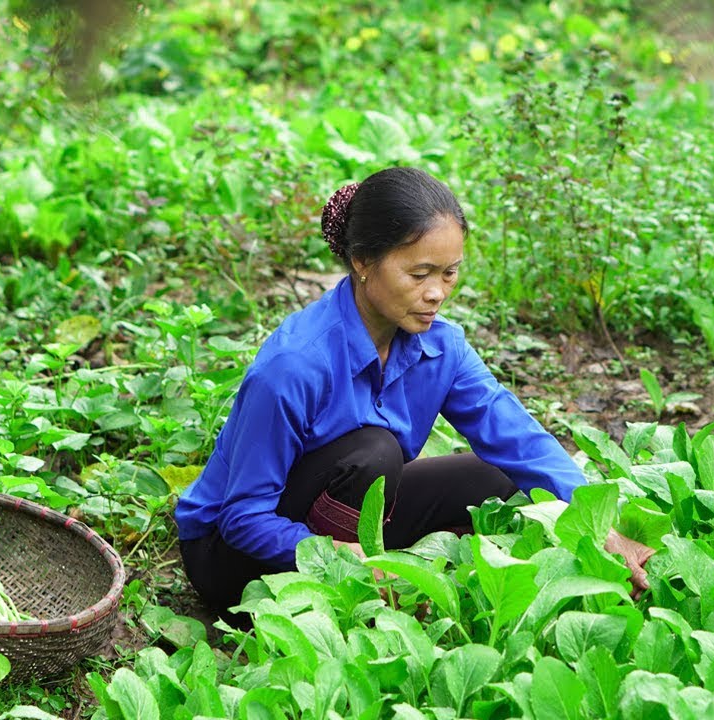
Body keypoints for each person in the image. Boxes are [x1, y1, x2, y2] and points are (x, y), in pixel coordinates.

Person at [175, 166, 653, 625]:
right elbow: (242, 517)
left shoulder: (441, 346)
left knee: (492, 474)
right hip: (230, 557)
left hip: (339, 520)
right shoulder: (295, 365)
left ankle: (376, 570)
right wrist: (343, 558)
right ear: (363, 262)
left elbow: (519, 440)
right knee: (375, 452)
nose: (436, 293)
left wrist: (598, 528)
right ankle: (351, 597)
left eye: (449, 273)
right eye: (420, 273)